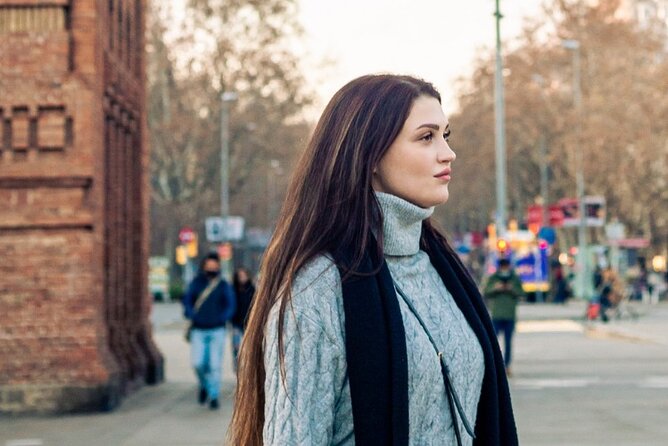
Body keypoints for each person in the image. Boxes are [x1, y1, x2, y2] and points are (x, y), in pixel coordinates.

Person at [229, 74, 518, 446]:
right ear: (371, 156)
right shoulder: (320, 285)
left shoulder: (444, 270)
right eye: (426, 137)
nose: (447, 153)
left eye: (446, 136)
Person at [182, 252, 235, 410]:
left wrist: (222, 318)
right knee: (198, 363)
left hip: (217, 330)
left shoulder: (223, 284)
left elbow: (230, 304)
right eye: (208, 265)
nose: (211, 268)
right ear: (204, 266)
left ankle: (213, 395)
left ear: (218, 266)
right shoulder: (196, 283)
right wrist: (193, 315)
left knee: (214, 365)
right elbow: (187, 300)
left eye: (214, 265)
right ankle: (204, 385)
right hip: (198, 330)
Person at [483, 258, 525, 376]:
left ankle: (507, 366)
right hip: (497, 315)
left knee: (508, 342)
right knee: (494, 342)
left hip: (510, 315)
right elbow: (486, 292)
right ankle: (494, 365)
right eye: (503, 267)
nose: (504, 269)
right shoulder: (494, 278)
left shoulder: (514, 278)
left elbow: (522, 293)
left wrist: (512, 289)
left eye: (506, 267)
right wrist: (495, 288)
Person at [231, 267, 256, 371]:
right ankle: (238, 370)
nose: (242, 278)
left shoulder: (252, 289)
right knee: (236, 348)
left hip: (249, 324)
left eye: (243, 275)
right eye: (239, 276)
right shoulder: (233, 290)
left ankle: (248, 370)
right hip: (236, 324)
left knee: (249, 349)